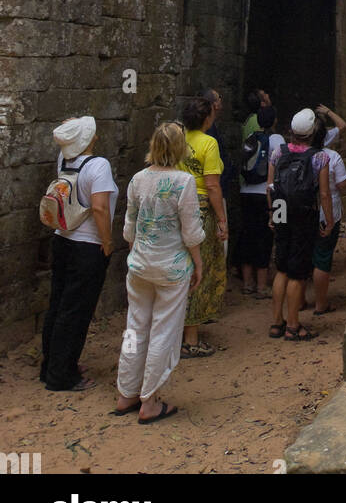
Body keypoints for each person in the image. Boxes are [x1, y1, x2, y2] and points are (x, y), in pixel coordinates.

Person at [115, 122, 204, 424]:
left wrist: (135, 255)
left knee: (134, 327)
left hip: (140, 264)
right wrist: (198, 263)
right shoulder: (184, 182)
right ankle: (148, 399)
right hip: (171, 267)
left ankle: (126, 391)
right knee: (163, 331)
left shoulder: (138, 180)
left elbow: (129, 228)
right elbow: (191, 232)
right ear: (180, 148)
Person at [41, 116, 118, 392]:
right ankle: (62, 375)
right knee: (76, 311)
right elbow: (100, 208)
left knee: (58, 305)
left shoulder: (64, 160)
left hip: (62, 240)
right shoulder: (99, 165)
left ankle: (52, 365)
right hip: (87, 246)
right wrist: (107, 242)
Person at [267, 108, 333, 342]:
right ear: (313, 131)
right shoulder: (319, 157)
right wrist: (329, 219)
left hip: (282, 211)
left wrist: (272, 214)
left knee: (282, 267)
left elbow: (271, 187)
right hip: (304, 213)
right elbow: (324, 194)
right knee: (297, 271)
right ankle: (293, 325)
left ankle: (277, 322)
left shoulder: (278, 152)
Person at [178, 94, 227, 357]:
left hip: (175, 209)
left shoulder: (176, 139)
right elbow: (211, 185)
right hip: (200, 211)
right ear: (207, 117)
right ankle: (191, 338)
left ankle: (173, 330)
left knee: (178, 269)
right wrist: (221, 219)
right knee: (199, 271)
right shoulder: (208, 143)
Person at [236, 103, 284, 297]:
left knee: (248, 235)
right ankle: (262, 286)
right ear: (273, 121)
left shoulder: (250, 138)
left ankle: (247, 283)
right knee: (264, 238)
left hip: (246, 191)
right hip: (265, 193)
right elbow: (281, 162)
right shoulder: (276, 139)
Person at [309, 114, 346, 317]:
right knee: (322, 257)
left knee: (303, 255)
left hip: (301, 212)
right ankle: (320, 303)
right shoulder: (332, 157)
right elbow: (342, 184)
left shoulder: (293, 154)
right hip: (327, 212)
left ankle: (298, 301)